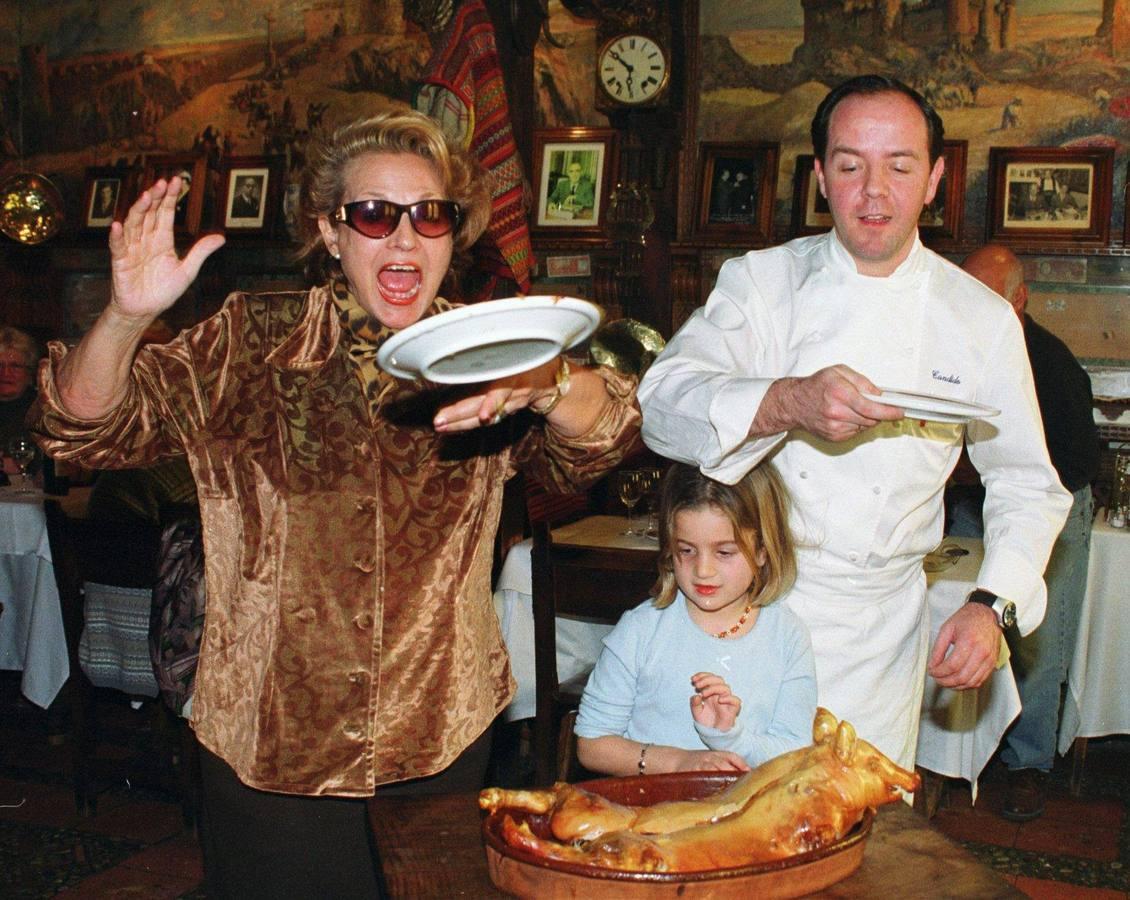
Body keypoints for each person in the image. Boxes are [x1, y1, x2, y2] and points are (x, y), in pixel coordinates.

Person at [28, 110, 641, 898]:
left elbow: (610, 435)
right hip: (272, 750)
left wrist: (550, 381)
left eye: (430, 215)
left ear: (455, 233)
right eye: (375, 214)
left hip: (440, 738)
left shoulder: (489, 346)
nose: (404, 239)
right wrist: (124, 317)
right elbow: (80, 431)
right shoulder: (250, 341)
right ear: (330, 231)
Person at [637, 74, 1071, 770]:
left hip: (881, 629)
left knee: (857, 839)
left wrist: (993, 606)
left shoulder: (980, 320)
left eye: (899, 166)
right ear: (820, 178)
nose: (874, 191)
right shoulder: (761, 283)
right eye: (850, 166)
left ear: (933, 180)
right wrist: (787, 401)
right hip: (747, 610)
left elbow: (1027, 483)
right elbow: (660, 406)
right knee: (727, 831)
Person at [955, 244, 1099, 822]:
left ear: (1020, 300)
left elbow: (1067, 468)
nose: (975, 310)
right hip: (973, 504)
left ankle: (1029, 765)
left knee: (1034, 642)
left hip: (1056, 511)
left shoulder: (1053, 363)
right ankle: (964, 755)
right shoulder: (956, 346)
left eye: (990, 298)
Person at [575, 462, 816, 776]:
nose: (703, 570)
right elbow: (592, 744)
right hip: (653, 813)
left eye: (725, 552)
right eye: (687, 550)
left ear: (762, 551)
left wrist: (731, 738)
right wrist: (678, 763)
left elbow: (795, 752)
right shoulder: (641, 630)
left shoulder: (787, 635)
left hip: (744, 813)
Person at [0, 325, 40, 477]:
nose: (5, 373)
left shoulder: (42, 411)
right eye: (0, 365)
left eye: (15, 366)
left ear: (29, 373)